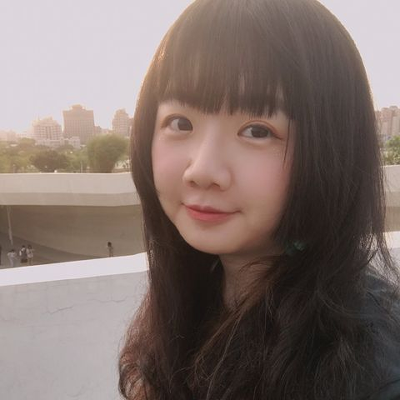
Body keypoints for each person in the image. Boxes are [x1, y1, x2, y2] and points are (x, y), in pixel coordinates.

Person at [119, 0, 400, 399]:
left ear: (330, 151)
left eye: (257, 131)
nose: (202, 170)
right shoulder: (194, 299)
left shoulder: (372, 368)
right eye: (179, 122)